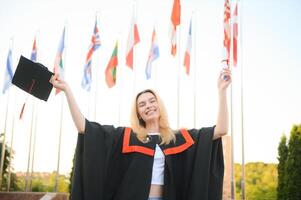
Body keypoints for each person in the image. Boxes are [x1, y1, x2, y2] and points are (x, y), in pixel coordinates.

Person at [50, 68, 231, 200]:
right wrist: (67, 90)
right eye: (142, 104)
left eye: (152, 101)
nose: (148, 106)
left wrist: (222, 91)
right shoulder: (127, 136)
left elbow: (221, 129)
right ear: (138, 113)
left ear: (159, 105)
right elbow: (84, 128)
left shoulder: (177, 138)